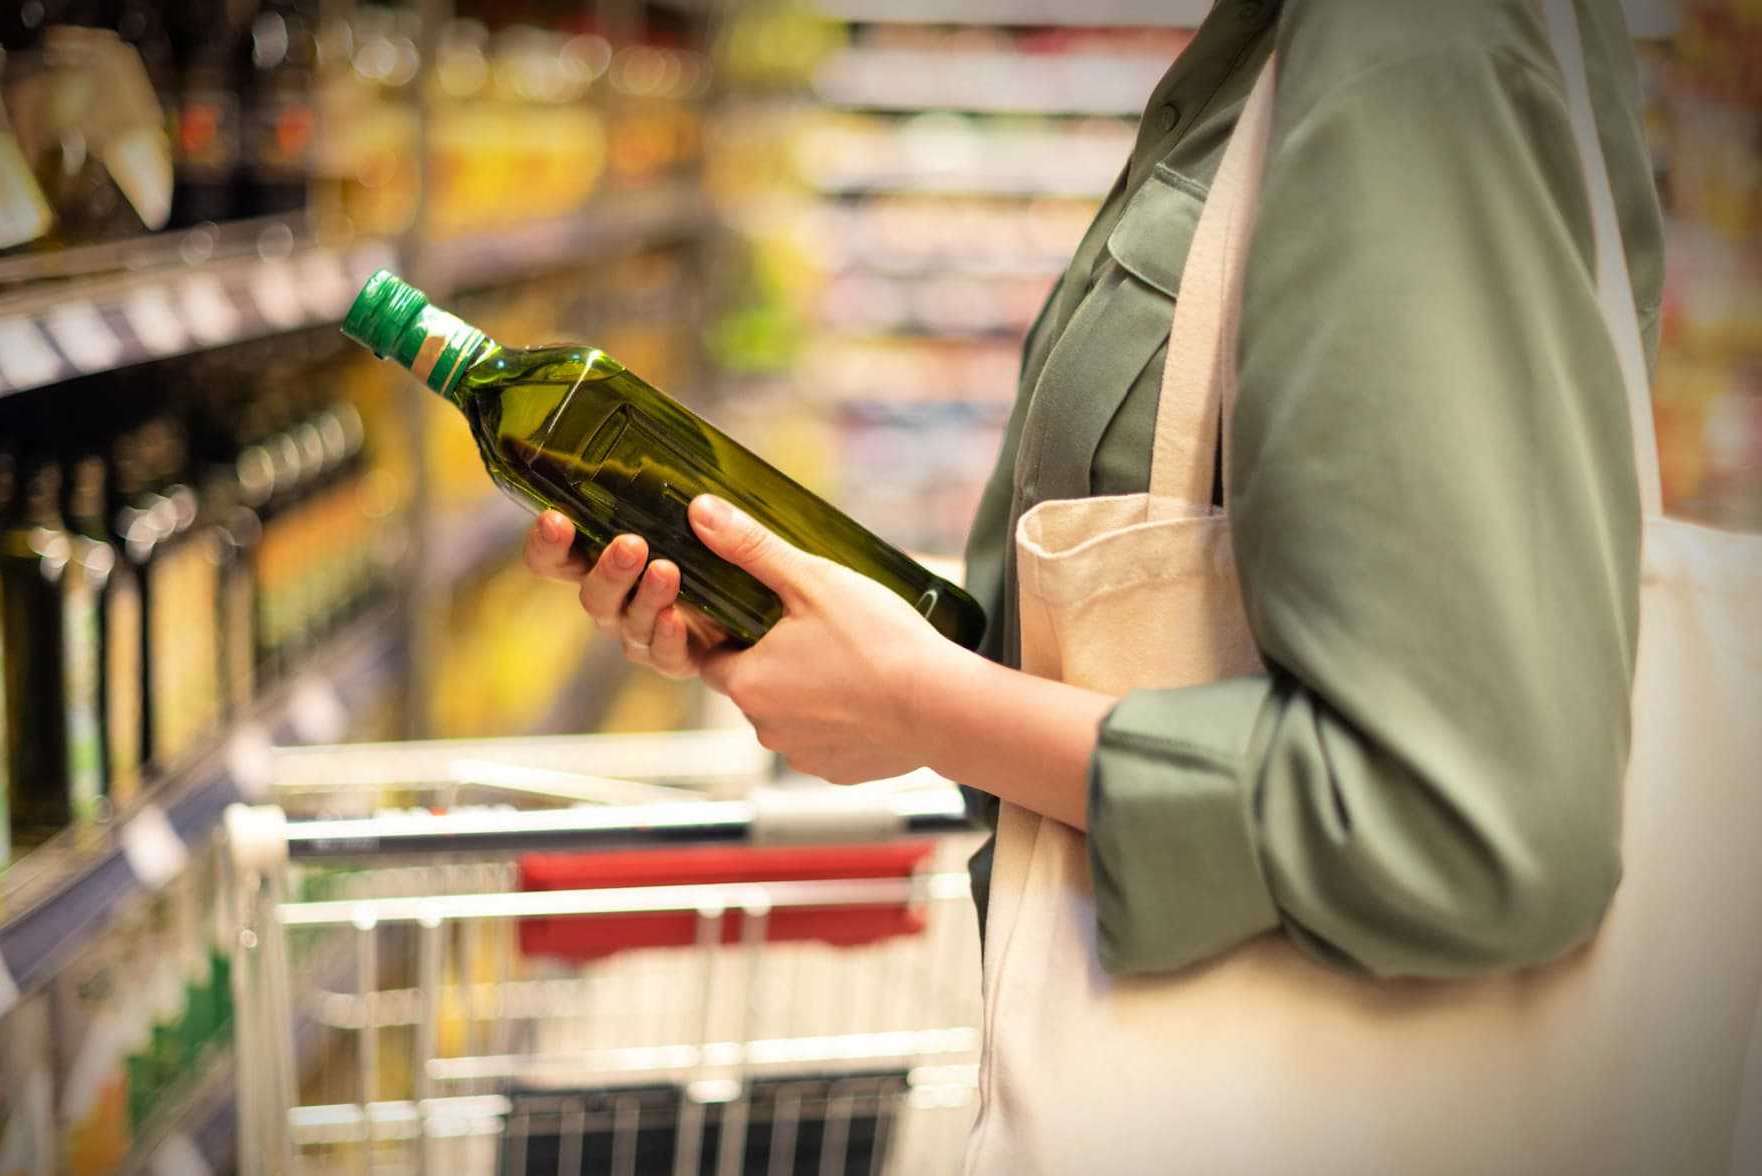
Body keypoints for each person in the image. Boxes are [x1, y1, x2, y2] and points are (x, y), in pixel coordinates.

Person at [526, 0, 1661, 981]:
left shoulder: (1412, 51)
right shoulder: (1277, 44)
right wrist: (835, 644)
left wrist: (925, 705)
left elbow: (1471, 836)